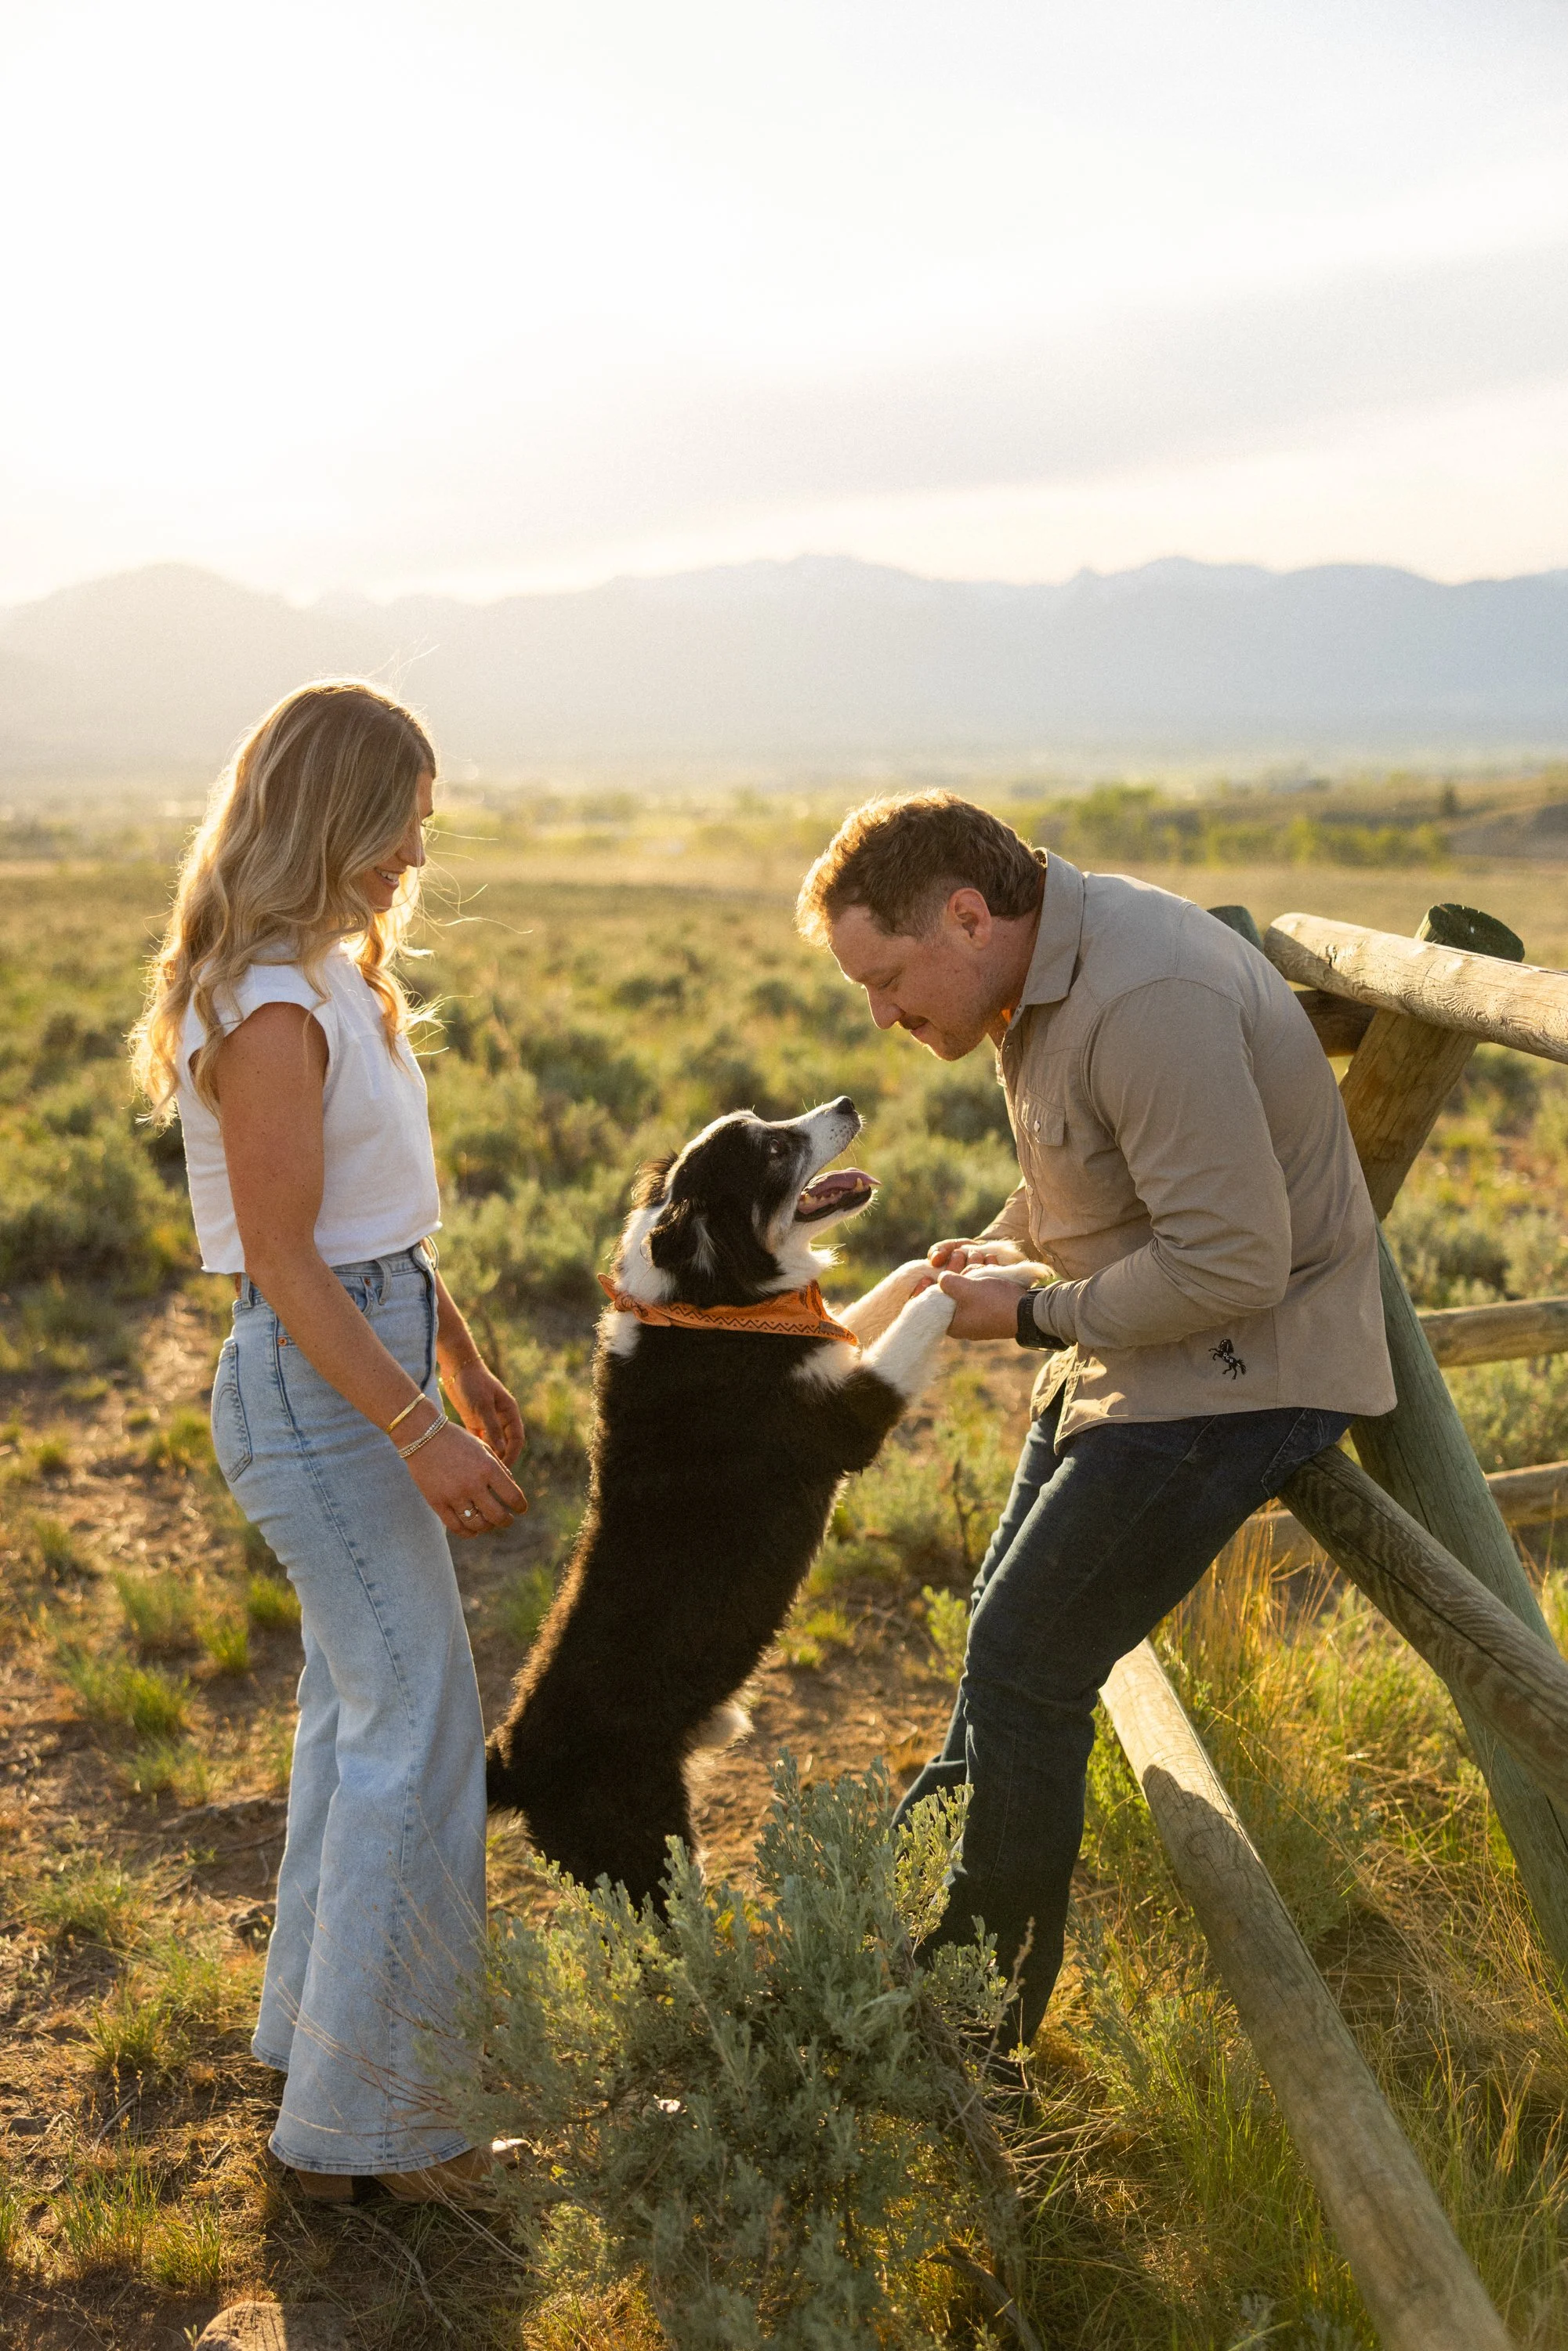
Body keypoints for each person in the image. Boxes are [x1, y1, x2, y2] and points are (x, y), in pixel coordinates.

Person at [795, 792, 1394, 2049]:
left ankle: (968, 2032)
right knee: (1003, 1643)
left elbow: (1232, 1266)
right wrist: (1013, 1241)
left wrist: (1028, 1316)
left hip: (1241, 1372)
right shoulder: (1053, 971)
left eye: (890, 978)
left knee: (1024, 1656)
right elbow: (1114, 1160)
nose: (883, 1016)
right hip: (1151, 1356)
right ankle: (894, 1956)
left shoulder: (1144, 998)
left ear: (968, 916)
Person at [132, 681, 528, 2204]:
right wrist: (417, 1427)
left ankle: (316, 2051)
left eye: (422, 827)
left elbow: (375, 1236)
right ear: (329, 811)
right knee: (415, 1731)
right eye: (397, 821)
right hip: (317, 1388)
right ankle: (386, 2128)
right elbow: (290, 1265)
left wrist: (462, 1357)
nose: (413, 855)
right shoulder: (272, 1003)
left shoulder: (334, 977)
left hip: (356, 1352)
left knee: (356, 1720)